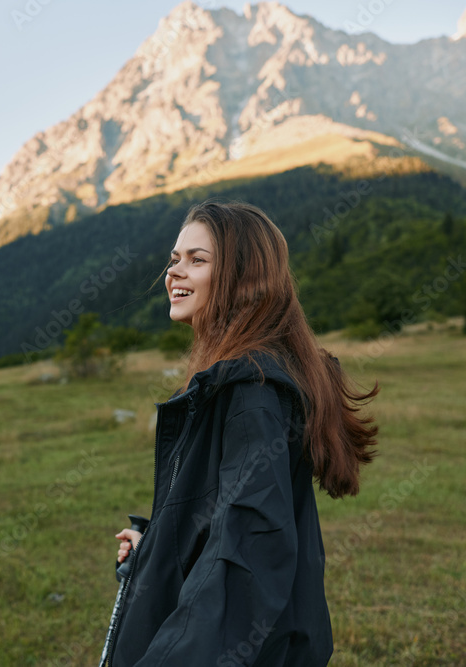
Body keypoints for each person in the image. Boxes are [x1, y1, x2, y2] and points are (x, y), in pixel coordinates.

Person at [98, 200, 380, 666]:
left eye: (197, 260)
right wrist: (156, 549)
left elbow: (247, 551)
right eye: (174, 259)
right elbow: (222, 515)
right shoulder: (235, 379)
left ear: (244, 278)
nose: (175, 273)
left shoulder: (252, 392)